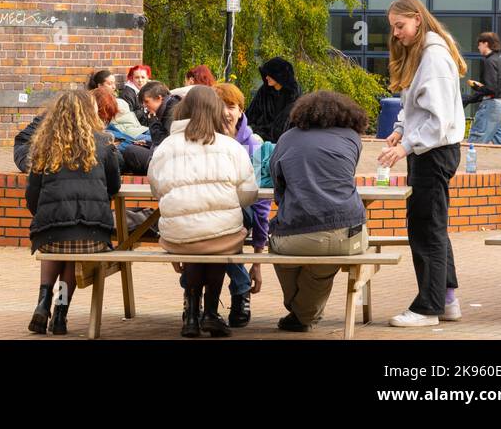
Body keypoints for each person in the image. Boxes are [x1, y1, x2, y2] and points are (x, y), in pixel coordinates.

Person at [378, 0, 466, 327]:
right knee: (432, 226)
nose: (396, 33)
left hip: (433, 152)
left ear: (417, 18)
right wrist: (402, 130)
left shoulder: (433, 57)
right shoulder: (426, 54)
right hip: (430, 151)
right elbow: (417, 106)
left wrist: (406, 145)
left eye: (399, 26)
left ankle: (428, 307)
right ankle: (446, 299)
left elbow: (438, 120)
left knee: (425, 228)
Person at [148, 87, 259, 338]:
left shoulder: (166, 147)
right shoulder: (231, 147)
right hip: (223, 236)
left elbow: (157, 189)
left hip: (177, 236)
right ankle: (210, 313)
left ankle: (190, 316)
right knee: (219, 239)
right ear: (215, 112)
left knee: (196, 240)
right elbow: (248, 194)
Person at [268, 91, 369, 332]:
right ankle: (303, 313)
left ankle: (300, 313)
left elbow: (278, 184)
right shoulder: (352, 138)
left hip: (295, 236)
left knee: (279, 247)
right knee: (323, 264)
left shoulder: (287, 138)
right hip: (349, 233)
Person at [25, 91, 122, 335]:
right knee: (72, 249)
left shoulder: (44, 145)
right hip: (92, 232)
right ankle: (60, 314)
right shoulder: (103, 142)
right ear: (89, 112)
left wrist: (45, 215)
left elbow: (32, 194)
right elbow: (114, 186)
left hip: (51, 231)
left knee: (55, 238)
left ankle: (43, 303)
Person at [214, 81, 271, 328]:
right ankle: (240, 292)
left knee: (227, 227)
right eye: (220, 106)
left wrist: (258, 261)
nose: (227, 112)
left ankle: (197, 300)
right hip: (210, 214)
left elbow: (260, 203)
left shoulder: (253, 145)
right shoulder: (203, 142)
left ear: (241, 110)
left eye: (232, 106)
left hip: (240, 215)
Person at [119, 80, 176, 175]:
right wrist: (148, 143)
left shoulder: (171, 111)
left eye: (146, 102)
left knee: (130, 151)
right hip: (169, 156)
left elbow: (163, 142)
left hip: (170, 162)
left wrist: (153, 120)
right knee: (132, 149)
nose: (145, 106)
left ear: (159, 98)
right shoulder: (168, 106)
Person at [467, 32, 501, 146]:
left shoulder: (489, 61)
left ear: (485, 44)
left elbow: (491, 89)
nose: (478, 47)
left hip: (492, 105)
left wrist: (476, 90)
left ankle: (470, 164)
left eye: (479, 44)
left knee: (476, 139)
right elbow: (499, 86)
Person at [245, 57, 302, 143]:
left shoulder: (294, 95)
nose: (266, 77)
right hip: (259, 137)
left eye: (270, 75)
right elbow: (251, 115)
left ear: (279, 76)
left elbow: (290, 123)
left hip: (285, 141)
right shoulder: (264, 91)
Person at [89, 69, 149, 145]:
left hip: (138, 128)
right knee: (157, 139)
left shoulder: (117, 98)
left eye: (114, 83)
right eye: (110, 84)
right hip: (129, 133)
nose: (114, 87)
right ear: (100, 86)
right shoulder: (100, 102)